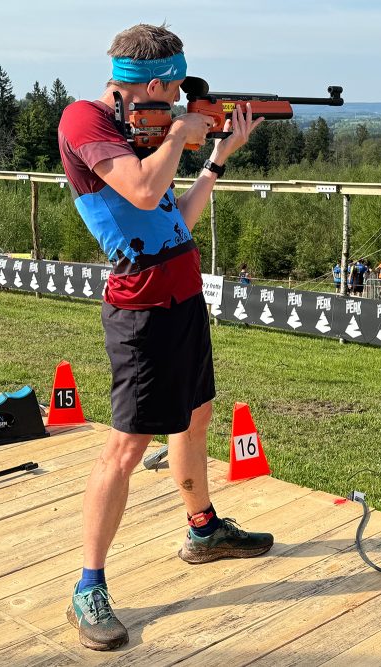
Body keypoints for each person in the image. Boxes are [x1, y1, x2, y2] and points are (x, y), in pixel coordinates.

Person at [58, 23, 273, 651]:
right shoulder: (85, 122)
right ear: (150, 84)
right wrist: (181, 132)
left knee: (196, 418)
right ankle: (87, 586)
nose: (176, 101)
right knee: (125, 449)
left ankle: (202, 529)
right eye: (172, 90)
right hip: (141, 312)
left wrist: (214, 159)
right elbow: (143, 189)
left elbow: (171, 217)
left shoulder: (142, 131)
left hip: (182, 299)